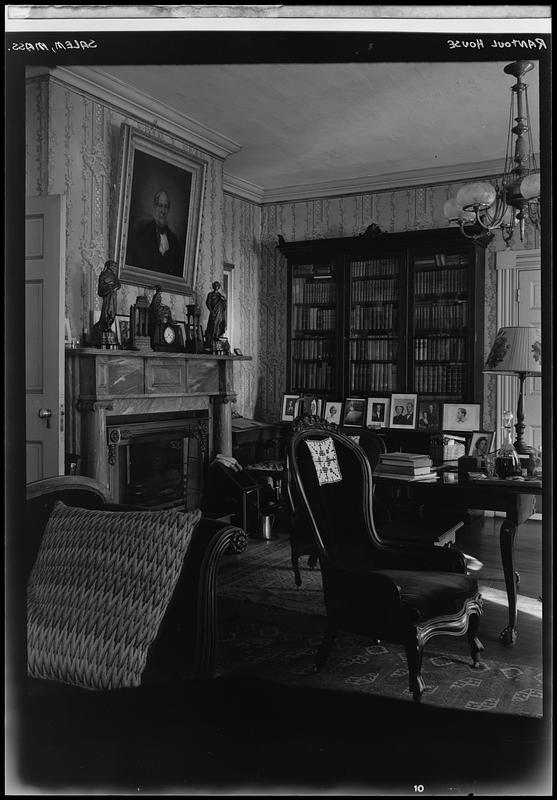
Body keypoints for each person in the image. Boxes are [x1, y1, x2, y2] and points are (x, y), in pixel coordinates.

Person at [129, 189, 181, 275]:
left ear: (168, 210)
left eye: (166, 206)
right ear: (154, 207)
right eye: (160, 206)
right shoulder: (142, 232)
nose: (163, 211)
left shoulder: (173, 239)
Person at [97, 259, 121, 331]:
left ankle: (109, 327)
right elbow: (100, 290)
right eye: (114, 266)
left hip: (113, 297)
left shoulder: (114, 276)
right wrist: (108, 287)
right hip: (107, 297)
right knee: (106, 312)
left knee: (113, 313)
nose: (115, 268)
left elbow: (118, 285)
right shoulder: (103, 275)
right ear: (109, 266)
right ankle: (104, 327)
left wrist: (113, 287)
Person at [205, 281, 227, 346]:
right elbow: (208, 303)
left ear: (219, 287)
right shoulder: (210, 294)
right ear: (213, 286)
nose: (216, 287)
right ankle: (212, 337)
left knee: (219, 323)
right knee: (212, 324)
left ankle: (216, 336)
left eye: (217, 285)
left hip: (219, 312)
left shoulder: (219, 295)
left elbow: (223, 304)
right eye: (215, 285)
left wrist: (224, 300)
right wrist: (211, 310)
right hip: (213, 312)